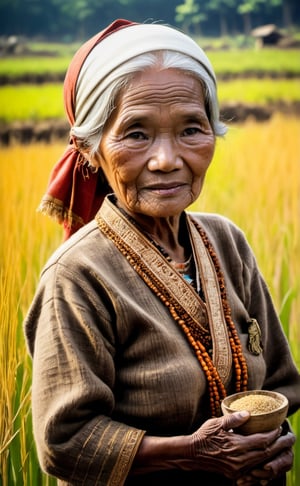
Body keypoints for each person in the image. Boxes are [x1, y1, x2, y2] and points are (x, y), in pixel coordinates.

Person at [24, 19, 300, 486]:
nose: (167, 159)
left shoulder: (227, 242)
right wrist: (193, 454)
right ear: (91, 150)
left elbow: (278, 382)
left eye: (192, 129)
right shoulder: (77, 275)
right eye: (136, 134)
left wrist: (272, 441)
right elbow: (66, 440)